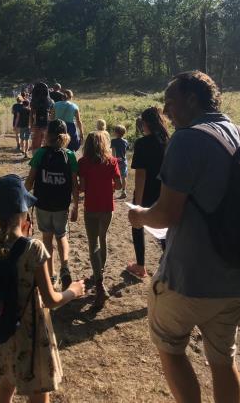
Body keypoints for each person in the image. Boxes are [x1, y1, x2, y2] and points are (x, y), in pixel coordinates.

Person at [128, 71, 240, 403]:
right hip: (236, 279)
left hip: (186, 279)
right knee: (224, 362)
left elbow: (166, 214)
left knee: (171, 350)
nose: (165, 111)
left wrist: (138, 215)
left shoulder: (187, 138)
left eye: (170, 102)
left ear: (192, 99)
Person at [0, 174, 85, 402]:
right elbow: (51, 299)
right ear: (24, 212)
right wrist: (73, 291)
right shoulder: (33, 248)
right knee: (38, 388)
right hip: (31, 331)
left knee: (7, 379)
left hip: (3, 324)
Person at [25, 120, 79, 291]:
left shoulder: (40, 153)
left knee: (47, 238)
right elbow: (74, 184)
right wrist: (76, 205)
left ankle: (52, 274)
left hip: (43, 203)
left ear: (47, 135)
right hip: (61, 204)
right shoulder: (70, 155)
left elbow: (30, 181)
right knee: (61, 235)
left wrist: (24, 202)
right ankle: (65, 266)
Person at [78, 130, 122, 307]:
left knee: (92, 243)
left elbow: (82, 187)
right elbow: (118, 185)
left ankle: (99, 282)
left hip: (91, 207)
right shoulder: (112, 162)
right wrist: (109, 184)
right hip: (107, 207)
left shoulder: (83, 162)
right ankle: (99, 272)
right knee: (103, 239)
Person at [126, 107, 170, 279]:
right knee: (166, 230)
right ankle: (168, 261)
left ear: (145, 123)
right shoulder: (169, 141)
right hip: (166, 192)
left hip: (147, 193)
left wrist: (137, 202)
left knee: (137, 225)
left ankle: (140, 265)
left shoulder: (142, 144)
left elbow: (141, 175)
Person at [30, 82, 54, 153]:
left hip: (36, 124)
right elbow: (52, 115)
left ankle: (36, 160)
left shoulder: (33, 102)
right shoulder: (51, 101)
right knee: (47, 144)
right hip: (47, 125)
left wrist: (30, 125)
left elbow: (31, 114)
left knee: (36, 145)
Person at [111, 124, 129, 199]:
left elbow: (113, 152)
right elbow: (126, 150)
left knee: (114, 175)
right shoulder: (125, 141)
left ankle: (113, 189)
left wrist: (113, 159)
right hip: (124, 161)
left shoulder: (113, 141)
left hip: (116, 160)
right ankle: (124, 191)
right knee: (123, 176)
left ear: (116, 133)